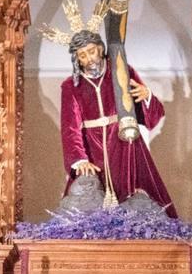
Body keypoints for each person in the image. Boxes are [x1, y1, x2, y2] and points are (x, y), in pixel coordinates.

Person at [59, 29, 177, 216]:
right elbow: (70, 127)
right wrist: (79, 159)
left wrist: (147, 96)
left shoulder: (122, 71)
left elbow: (152, 114)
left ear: (100, 48)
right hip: (92, 149)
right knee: (87, 198)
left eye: (91, 51)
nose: (89, 59)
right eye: (82, 55)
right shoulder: (70, 86)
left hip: (125, 144)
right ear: (77, 59)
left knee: (134, 192)